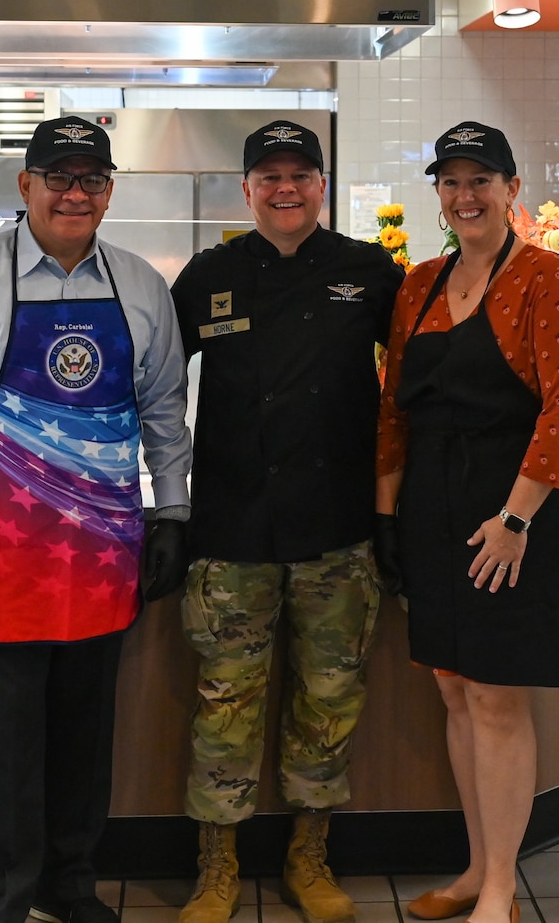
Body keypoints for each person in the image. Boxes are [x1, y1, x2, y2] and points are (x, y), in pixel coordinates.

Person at [0, 115, 193, 923]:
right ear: (25, 185)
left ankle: (69, 885)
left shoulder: (139, 285)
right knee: (5, 747)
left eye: (91, 180)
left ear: (109, 191)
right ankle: (1, 898)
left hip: (104, 550)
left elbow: (164, 410)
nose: (74, 193)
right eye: (58, 178)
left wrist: (171, 511)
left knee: (83, 737)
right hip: (2, 552)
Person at [167, 120, 404, 923]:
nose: (285, 188)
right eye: (269, 175)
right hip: (232, 529)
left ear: (321, 185)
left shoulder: (369, 272)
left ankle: (310, 856)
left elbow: (408, 391)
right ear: (247, 190)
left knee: (329, 699)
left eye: (300, 173)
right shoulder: (209, 275)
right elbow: (159, 392)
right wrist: (167, 502)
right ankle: (217, 866)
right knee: (225, 702)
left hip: (337, 531)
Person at [376, 122, 559, 923]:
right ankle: (475, 868)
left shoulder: (546, 276)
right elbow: (393, 409)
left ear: (511, 189)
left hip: (514, 512)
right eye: (452, 182)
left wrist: (515, 518)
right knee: (455, 691)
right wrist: (389, 517)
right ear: (438, 193)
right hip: (434, 508)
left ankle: (501, 885)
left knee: (499, 699)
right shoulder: (420, 282)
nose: (465, 197)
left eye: (481, 181)